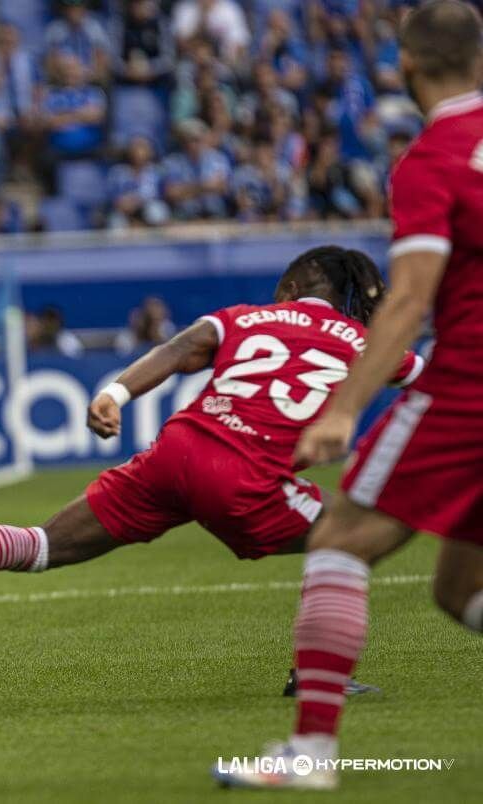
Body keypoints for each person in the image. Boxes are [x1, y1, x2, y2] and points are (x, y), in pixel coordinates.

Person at [0, 248, 423, 658]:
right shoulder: (367, 343)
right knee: (345, 543)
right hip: (249, 471)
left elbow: (184, 346)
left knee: (44, 545)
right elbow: (435, 379)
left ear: (292, 289)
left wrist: (114, 393)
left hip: (178, 448)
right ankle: (318, 675)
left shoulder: (247, 316)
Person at [216, 1, 483, 790]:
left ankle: (310, 754)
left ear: (404, 66)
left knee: (337, 539)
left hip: (469, 388)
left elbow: (406, 300)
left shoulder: (434, 157)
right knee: (459, 585)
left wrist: (342, 407)